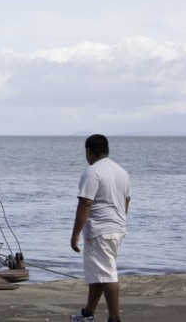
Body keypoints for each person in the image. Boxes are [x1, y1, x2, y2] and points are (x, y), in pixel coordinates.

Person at [70, 134, 131, 322]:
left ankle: (114, 318)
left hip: (100, 230)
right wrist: (118, 221)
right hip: (116, 228)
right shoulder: (121, 171)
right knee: (97, 272)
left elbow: (85, 204)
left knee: (107, 273)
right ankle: (88, 313)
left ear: (88, 151)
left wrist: (75, 235)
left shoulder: (92, 172)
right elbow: (126, 199)